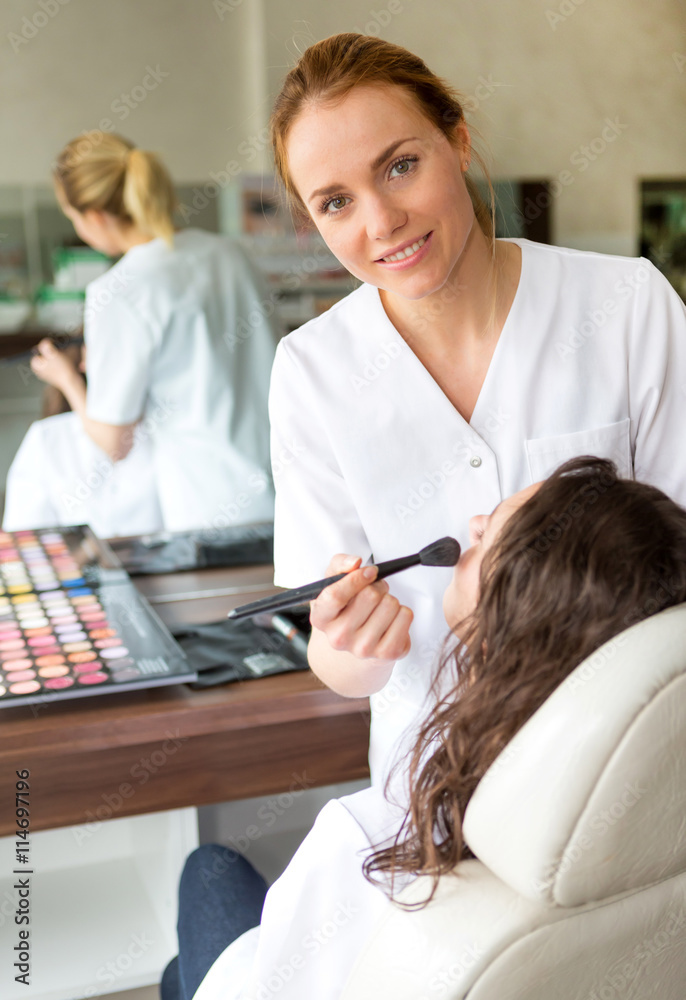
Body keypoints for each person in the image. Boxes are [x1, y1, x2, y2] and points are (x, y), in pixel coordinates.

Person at [267, 32, 686, 788]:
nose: (382, 222)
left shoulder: (626, 306)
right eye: (335, 202)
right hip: (430, 793)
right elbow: (331, 656)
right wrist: (351, 645)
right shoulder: (311, 372)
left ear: (457, 141)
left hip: (630, 769)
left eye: (400, 166)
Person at [160, 456, 686, 1000]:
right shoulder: (654, 810)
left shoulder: (366, 843)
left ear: (502, 630)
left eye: (493, 533)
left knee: (208, 871)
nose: (474, 523)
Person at [3, 132, 278, 536]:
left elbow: (114, 443)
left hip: (209, 512)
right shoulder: (230, 254)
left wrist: (66, 379)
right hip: (284, 491)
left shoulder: (121, 291)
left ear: (94, 216)